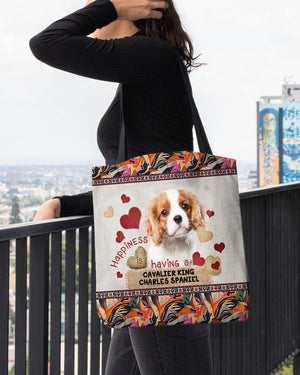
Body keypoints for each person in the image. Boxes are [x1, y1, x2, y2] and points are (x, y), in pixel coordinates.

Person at [30, 0, 213, 374]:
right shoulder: (147, 67)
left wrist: (112, 7)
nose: (89, 9)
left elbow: (46, 43)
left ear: (133, 8)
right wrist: (65, 204)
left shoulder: (152, 57)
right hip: (149, 265)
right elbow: (140, 188)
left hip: (159, 271)